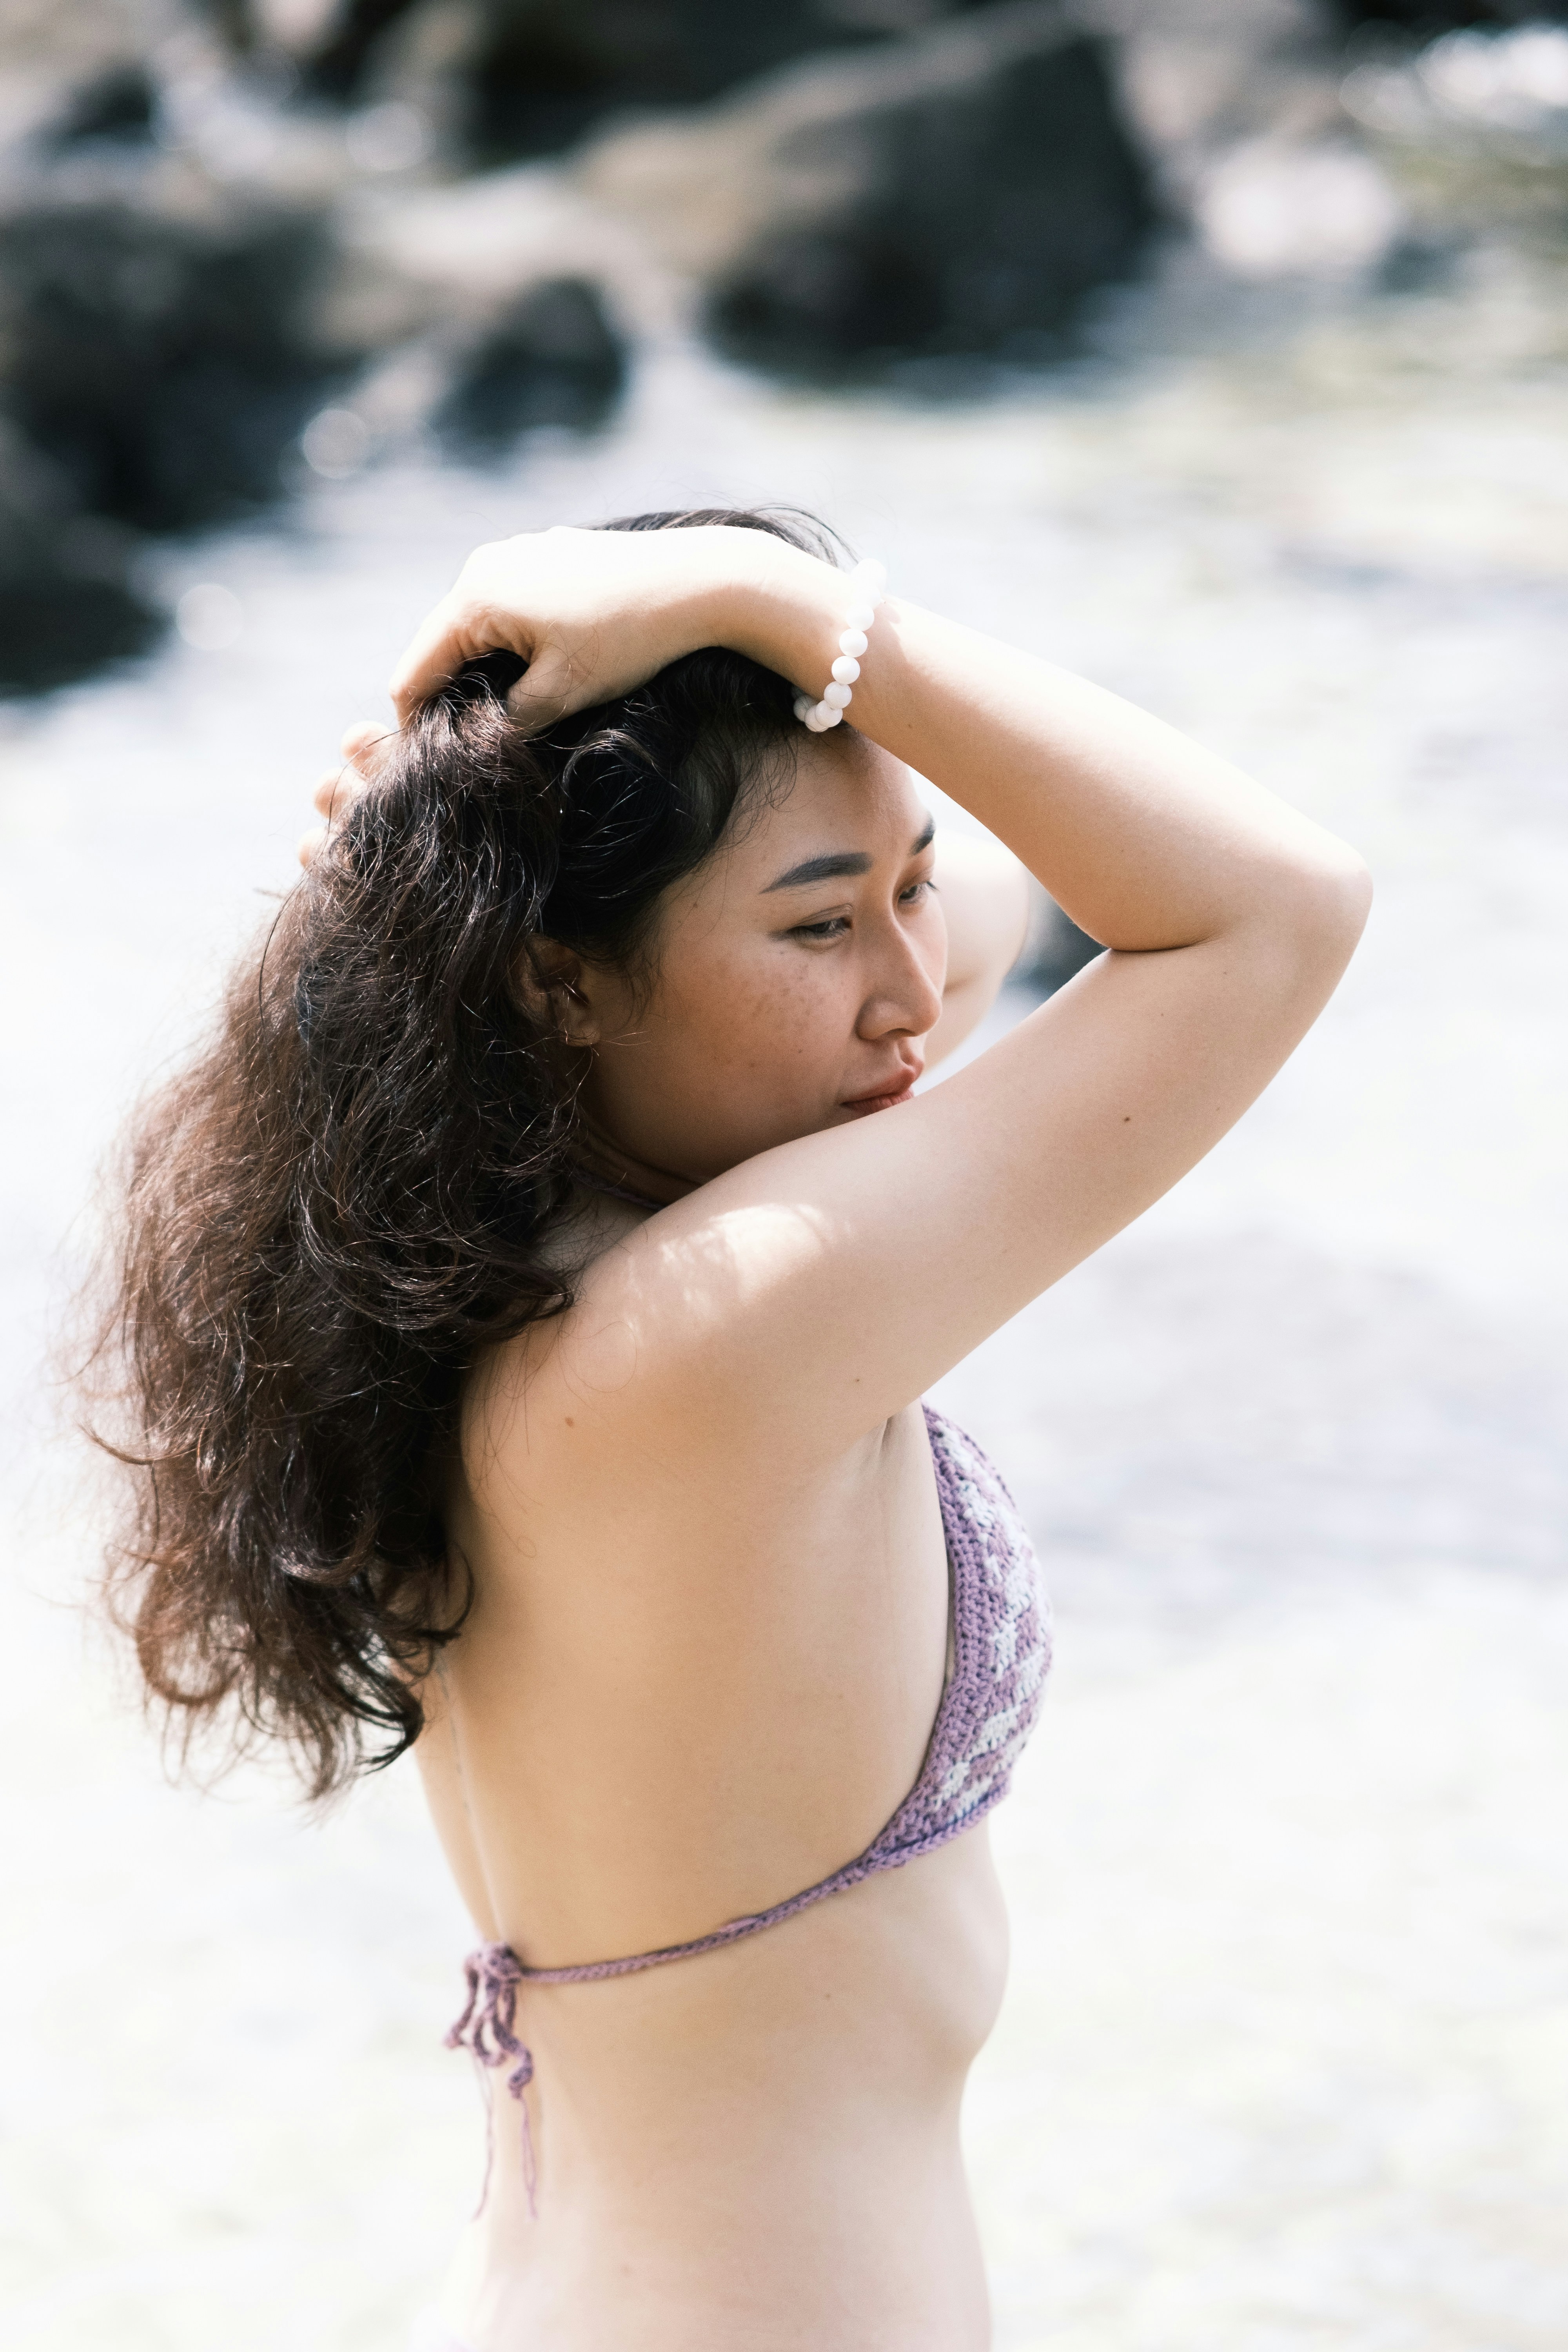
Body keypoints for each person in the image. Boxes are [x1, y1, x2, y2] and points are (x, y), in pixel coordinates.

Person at [96, 507, 1370, 2350]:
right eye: (818, 927)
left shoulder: (482, 1275)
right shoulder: (705, 1340)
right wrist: (772, 604)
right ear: (556, 976)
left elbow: (1006, 893)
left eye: (899, 896)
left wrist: (770, 753)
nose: (914, 991)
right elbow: (1272, 905)